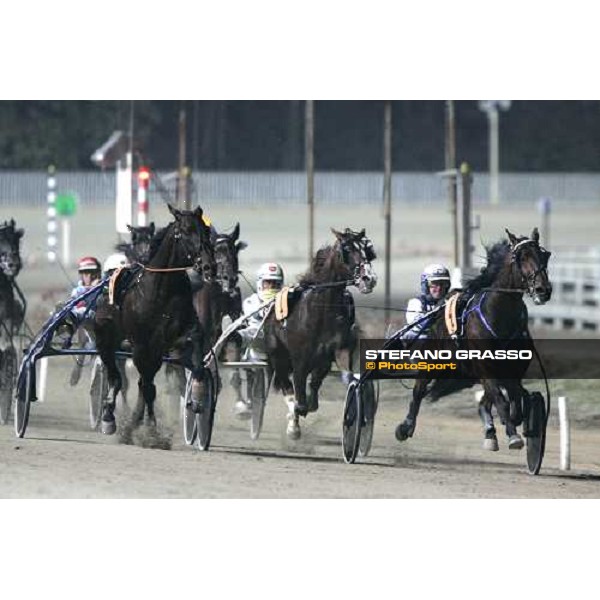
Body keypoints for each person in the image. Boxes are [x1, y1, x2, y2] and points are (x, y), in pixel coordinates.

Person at [228, 262, 284, 419]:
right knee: (233, 339)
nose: (271, 287)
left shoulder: (285, 301)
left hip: (278, 340)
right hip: (254, 335)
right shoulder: (251, 302)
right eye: (268, 283)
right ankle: (238, 397)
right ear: (260, 283)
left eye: (275, 283)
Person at [403, 263, 451, 340]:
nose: (439, 288)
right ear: (425, 285)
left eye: (442, 284)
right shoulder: (416, 303)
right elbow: (418, 326)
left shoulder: (450, 303)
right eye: (434, 284)